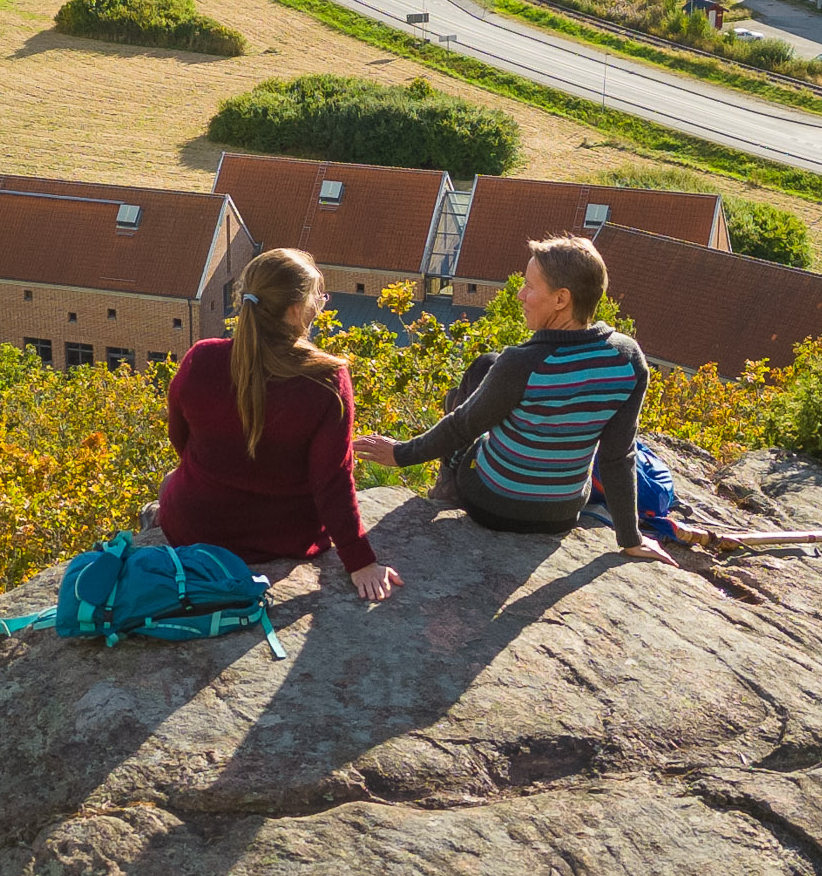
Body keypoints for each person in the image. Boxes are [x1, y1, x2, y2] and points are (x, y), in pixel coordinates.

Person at [352, 233, 674, 564]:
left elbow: (463, 427)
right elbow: (618, 456)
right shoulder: (628, 358)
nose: (520, 295)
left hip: (493, 505)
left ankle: (447, 481)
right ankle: (458, 405)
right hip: (563, 514)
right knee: (488, 368)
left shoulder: (523, 362)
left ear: (561, 299)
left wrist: (401, 454)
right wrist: (631, 538)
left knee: (479, 375)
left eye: (530, 287)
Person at [156, 247, 404, 604]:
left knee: (169, 482)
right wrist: (360, 561)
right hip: (285, 536)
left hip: (194, 527)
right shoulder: (327, 380)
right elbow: (331, 480)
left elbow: (181, 438)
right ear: (294, 310)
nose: (321, 303)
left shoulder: (202, 358)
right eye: (318, 297)